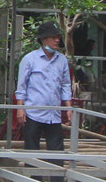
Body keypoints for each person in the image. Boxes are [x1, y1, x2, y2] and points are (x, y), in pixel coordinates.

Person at [14, 20, 72, 152]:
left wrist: (69, 108)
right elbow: (21, 86)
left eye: (58, 37)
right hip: (33, 112)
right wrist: (20, 108)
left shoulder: (62, 59)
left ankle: (56, 172)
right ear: (43, 39)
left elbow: (66, 85)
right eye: (53, 37)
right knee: (31, 149)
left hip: (54, 113)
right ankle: (34, 173)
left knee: (56, 150)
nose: (56, 40)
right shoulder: (30, 59)